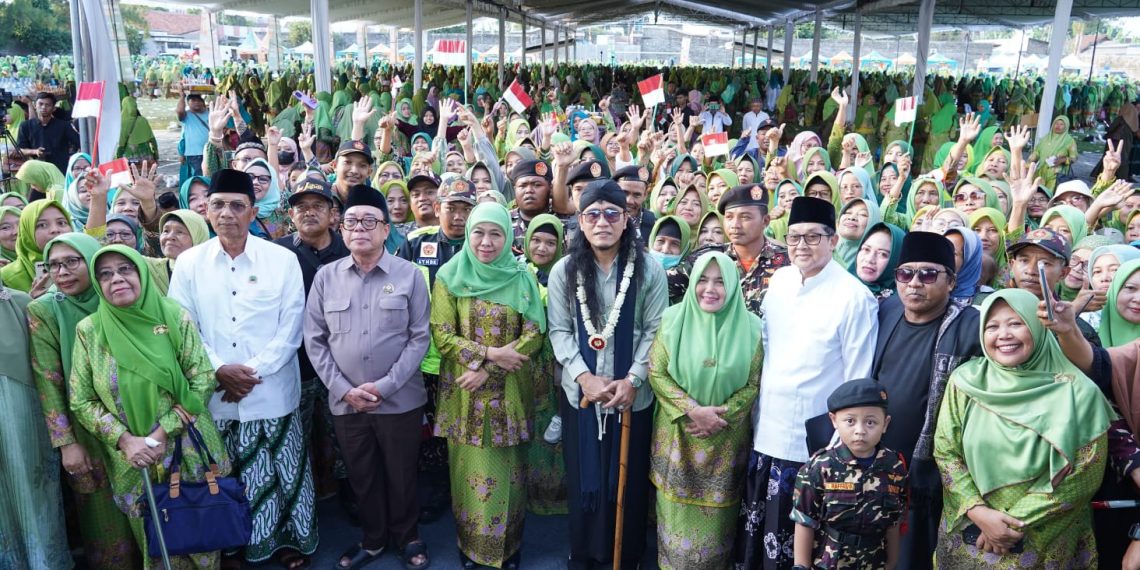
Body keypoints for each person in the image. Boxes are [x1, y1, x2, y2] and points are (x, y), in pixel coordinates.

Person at [167, 169, 316, 569]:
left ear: (253, 211)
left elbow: (291, 327)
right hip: (217, 394)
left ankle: (288, 540)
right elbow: (185, 327)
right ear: (206, 210)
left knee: (283, 474)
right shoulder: (189, 264)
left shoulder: (283, 260)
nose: (227, 213)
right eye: (218, 204)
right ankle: (232, 543)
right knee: (226, 474)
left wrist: (248, 373)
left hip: (271, 391)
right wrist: (218, 370)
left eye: (237, 205)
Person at [736, 196, 878, 570]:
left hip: (813, 447)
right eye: (794, 236)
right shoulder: (780, 281)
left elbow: (858, 379)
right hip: (766, 430)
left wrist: (838, 447)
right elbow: (764, 349)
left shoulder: (854, 297)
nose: (802, 245)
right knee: (758, 539)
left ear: (833, 241)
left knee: (801, 548)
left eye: (813, 237)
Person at [69, 245, 233, 567]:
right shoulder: (89, 330)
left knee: (200, 536)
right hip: (131, 458)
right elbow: (81, 398)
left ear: (141, 273)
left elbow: (201, 380)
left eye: (125, 269)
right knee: (153, 541)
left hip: (188, 449)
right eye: (105, 274)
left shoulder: (173, 316)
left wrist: (161, 433)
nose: (116, 278)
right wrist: (125, 440)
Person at [933, 288, 1115, 568]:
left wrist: (1010, 524)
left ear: (1039, 327)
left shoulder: (1078, 391)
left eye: (1016, 323)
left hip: (1041, 541)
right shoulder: (965, 381)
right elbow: (946, 451)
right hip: (969, 533)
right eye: (992, 326)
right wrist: (979, 512)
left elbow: (1084, 474)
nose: (1003, 334)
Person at [304, 184, 432, 570]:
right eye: (352, 221)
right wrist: (344, 390)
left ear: (385, 227)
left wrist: (385, 386)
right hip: (347, 403)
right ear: (341, 229)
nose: (360, 228)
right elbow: (315, 340)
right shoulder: (326, 278)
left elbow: (419, 337)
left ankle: (408, 538)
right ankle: (373, 540)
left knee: (402, 473)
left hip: (400, 399)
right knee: (362, 475)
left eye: (369, 221)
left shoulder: (410, 275)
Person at [547, 179, 668, 569]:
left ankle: (625, 555)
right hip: (581, 396)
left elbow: (656, 331)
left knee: (628, 483)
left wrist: (632, 380)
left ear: (627, 219)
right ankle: (582, 553)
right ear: (580, 222)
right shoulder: (565, 270)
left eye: (612, 213)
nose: (602, 222)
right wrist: (585, 377)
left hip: (632, 396)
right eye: (593, 214)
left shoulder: (649, 269)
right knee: (584, 479)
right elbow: (560, 330)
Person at [431, 202, 546, 569]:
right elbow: (443, 335)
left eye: (495, 233)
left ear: (508, 235)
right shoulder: (450, 276)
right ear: (468, 234)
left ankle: (508, 549)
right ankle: (471, 548)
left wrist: (489, 369)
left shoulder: (521, 276)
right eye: (479, 232)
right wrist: (489, 355)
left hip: (509, 393)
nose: (486, 241)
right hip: (464, 395)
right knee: (467, 472)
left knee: (510, 474)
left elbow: (534, 334)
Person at [869, 231, 983, 569]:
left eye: (929, 274)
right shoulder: (887, 309)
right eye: (906, 273)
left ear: (951, 282)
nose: (915, 283)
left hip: (928, 476)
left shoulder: (972, 325)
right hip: (874, 465)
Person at [28, 233, 140, 568]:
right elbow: (48, 381)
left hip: (137, 422)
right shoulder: (44, 310)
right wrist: (66, 444)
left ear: (92, 262)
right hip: (86, 431)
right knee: (105, 527)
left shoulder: (122, 298)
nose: (61, 272)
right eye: (53, 265)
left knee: (151, 516)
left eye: (72, 262)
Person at [649, 251, 762, 569]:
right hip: (678, 439)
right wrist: (693, 411)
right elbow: (656, 372)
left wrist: (719, 415)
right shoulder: (672, 320)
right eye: (703, 280)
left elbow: (753, 384)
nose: (709, 289)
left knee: (717, 532)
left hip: (725, 443)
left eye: (720, 281)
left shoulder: (752, 329)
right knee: (674, 523)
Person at [790, 379, 907, 570]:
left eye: (870, 422)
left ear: (885, 424)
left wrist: (892, 563)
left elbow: (893, 522)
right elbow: (805, 520)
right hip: (830, 562)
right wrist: (801, 566)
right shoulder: (819, 467)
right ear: (834, 420)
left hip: (875, 562)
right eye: (850, 421)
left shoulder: (894, 467)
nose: (860, 431)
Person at [0, 265, 72, 569]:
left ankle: (42, 561)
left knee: (31, 488)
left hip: (21, 420)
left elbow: (47, 369)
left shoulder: (19, 303)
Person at [667, 184, 790, 316]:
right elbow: (661, 286)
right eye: (729, 217)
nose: (735, 225)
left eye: (745, 217)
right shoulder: (708, 257)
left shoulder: (786, 263)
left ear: (765, 221)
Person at [0, 198, 72, 295]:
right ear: (27, 233)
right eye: (42, 225)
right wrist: (31, 304)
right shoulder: (6, 277)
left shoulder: (88, 261)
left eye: (61, 223)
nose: (55, 230)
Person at [15, 92, 79, 174]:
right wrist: (35, 151)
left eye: (48, 105)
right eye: (40, 104)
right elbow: (20, 150)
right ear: (35, 105)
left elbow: (79, 143)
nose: (43, 107)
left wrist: (74, 160)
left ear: (53, 108)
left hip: (60, 171)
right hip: (37, 171)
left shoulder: (63, 125)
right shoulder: (25, 126)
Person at [612, 165, 655, 246]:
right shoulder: (604, 221)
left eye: (636, 195)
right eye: (624, 193)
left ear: (645, 195)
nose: (629, 201)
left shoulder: (653, 224)